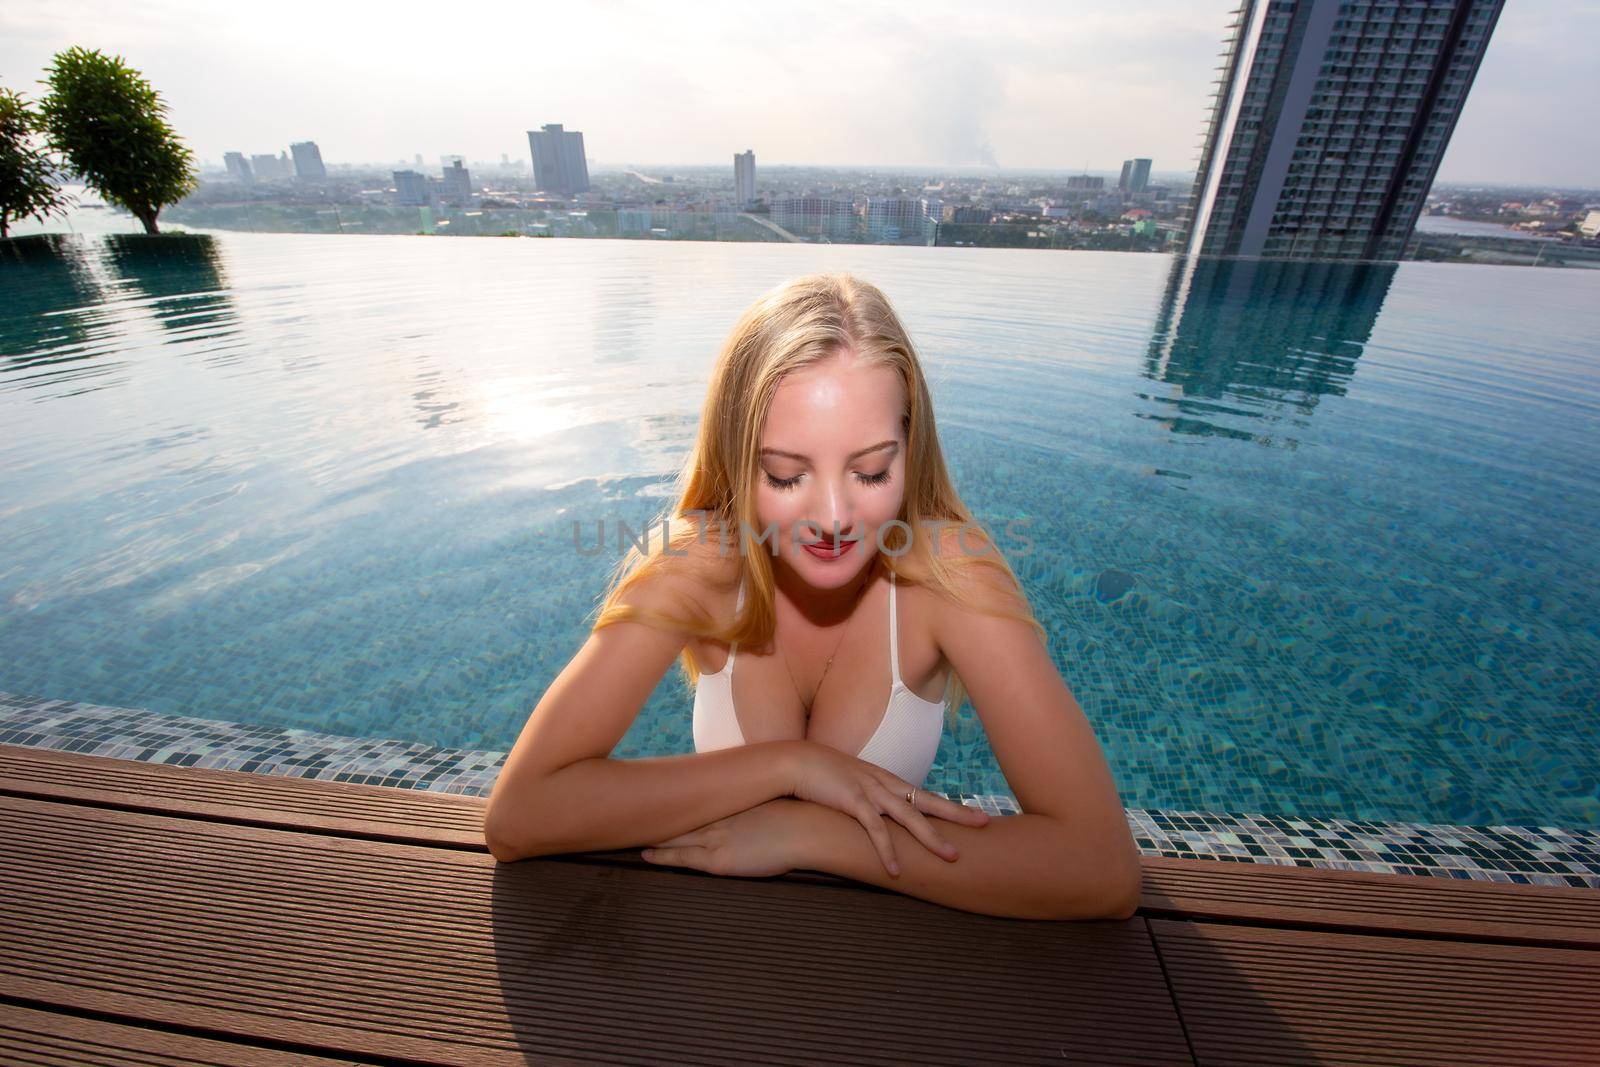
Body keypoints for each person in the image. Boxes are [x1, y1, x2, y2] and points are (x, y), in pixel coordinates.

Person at [484, 272, 1140, 921]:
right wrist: (791, 767)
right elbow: (520, 816)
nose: (832, 516)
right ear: (738, 456)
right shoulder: (700, 565)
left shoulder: (946, 573)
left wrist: (808, 835)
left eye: (872, 470)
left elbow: (1101, 867)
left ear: (911, 446)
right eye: (786, 474)